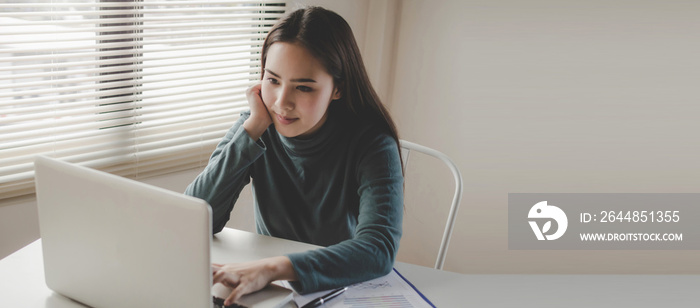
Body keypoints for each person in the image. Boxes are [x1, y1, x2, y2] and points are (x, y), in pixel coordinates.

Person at [185, 6, 404, 306]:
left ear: (337, 88)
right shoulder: (257, 123)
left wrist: (272, 267)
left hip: (334, 289)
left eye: (303, 87)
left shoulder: (372, 143)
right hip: (267, 289)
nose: (281, 103)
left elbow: (377, 249)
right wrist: (252, 129)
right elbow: (195, 217)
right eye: (273, 80)